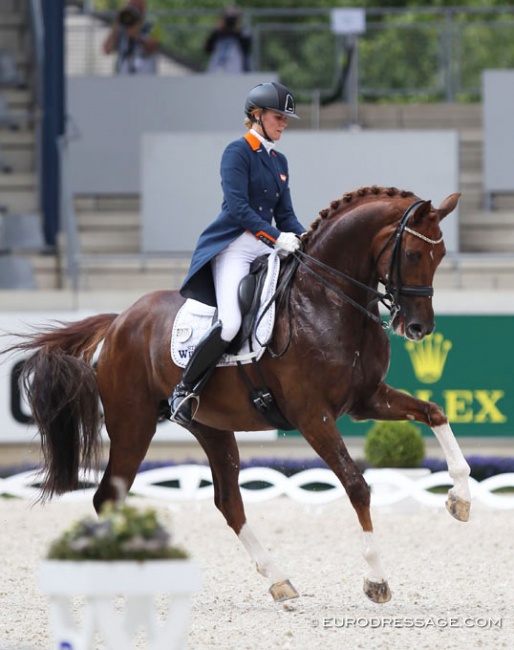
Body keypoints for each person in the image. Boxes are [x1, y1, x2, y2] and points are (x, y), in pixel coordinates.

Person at [170, 81, 306, 426]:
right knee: (230, 322)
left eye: (285, 118)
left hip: (266, 244)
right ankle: (183, 390)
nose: (284, 123)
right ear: (256, 116)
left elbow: (285, 214)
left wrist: (305, 238)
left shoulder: (279, 160)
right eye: (279, 117)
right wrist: (277, 236)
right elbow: (237, 207)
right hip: (235, 245)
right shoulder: (237, 151)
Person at [103, 0, 160, 75]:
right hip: (124, 77)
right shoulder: (121, 29)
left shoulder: (153, 27)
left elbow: (151, 48)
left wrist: (137, 36)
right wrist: (116, 25)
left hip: (146, 77)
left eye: (137, 8)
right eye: (132, 7)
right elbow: (107, 50)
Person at [205, 5, 252, 74]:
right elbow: (207, 49)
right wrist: (216, 32)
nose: (231, 21)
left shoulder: (242, 32)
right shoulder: (218, 33)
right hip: (217, 68)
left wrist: (237, 31)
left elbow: (246, 49)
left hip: (236, 69)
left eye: (234, 17)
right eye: (228, 17)